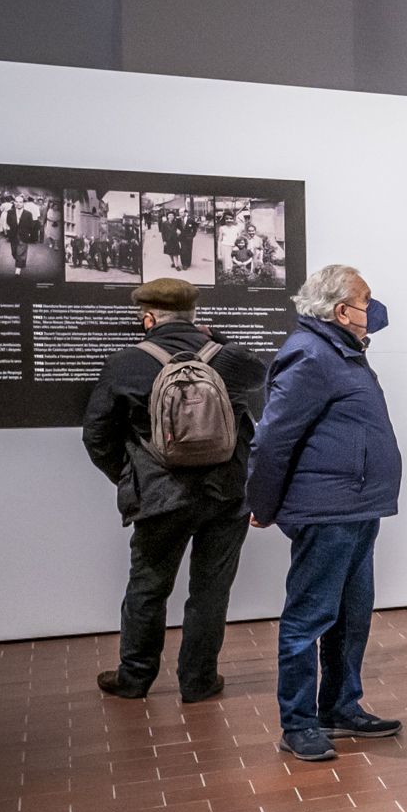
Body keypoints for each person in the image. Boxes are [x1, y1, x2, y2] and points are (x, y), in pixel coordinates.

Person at [248, 264, 404, 763]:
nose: (372, 311)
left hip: (357, 508)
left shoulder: (342, 352)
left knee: (352, 616)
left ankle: (341, 707)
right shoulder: (310, 355)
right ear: (341, 311)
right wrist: (262, 504)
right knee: (308, 619)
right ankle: (298, 723)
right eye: (365, 300)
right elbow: (273, 438)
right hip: (328, 512)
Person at [81, 278, 266, 701]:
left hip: (160, 497)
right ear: (194, 314)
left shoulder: (126, 362)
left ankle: (135, 678)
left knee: (148, 588)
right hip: (225, 495)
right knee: (211, 590)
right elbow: (260, 371)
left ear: (148, 318)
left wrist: (130, 475)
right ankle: (198, 680)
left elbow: (96, 435)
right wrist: (213, 336)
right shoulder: (229, 358)